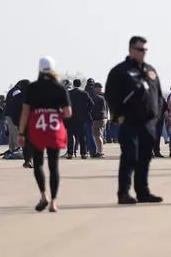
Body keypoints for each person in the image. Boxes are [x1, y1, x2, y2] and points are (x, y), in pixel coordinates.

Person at [105, 36, 164, 205]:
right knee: (130, 156)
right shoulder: (120, 71)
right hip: (130, 121)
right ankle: (123, 193)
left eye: (145, 49)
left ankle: (143, 192)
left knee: (145, 157)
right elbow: (111, 95)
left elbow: (158, 94)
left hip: (148, 122)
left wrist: (157, 113)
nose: (143, 52)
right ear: (131, 50)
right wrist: (118, 114)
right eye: (139, 49)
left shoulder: (150, 71)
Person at [17, 56, 71, 212]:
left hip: (37, 128)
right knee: (54, 165)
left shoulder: (32, 88)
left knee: (38, 163)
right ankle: (54, 202)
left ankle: (43, 195)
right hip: (54, 128)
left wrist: (21, 133)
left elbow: (25, 113)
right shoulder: (60, 88)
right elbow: (68, 113)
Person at [67, 79, 94, 159]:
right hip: (81, 118)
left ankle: (70, 153)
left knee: (70, 137)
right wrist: (86, 111)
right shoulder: (84, 93)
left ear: (73, 84)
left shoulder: (69, 93)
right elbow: (91, 104)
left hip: (71, 118)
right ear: (80, 84)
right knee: (82, 137)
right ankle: (83, 153)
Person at [90, 82, 108, 158]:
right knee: (98, 135)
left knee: (97, 136)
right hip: (104, 117)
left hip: (98, 118)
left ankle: (100, 152)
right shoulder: (104, 96)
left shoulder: (97, 98)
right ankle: (99, 151)